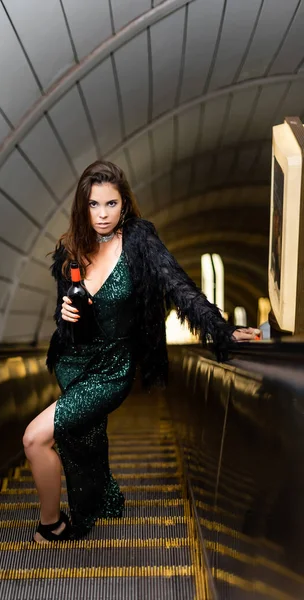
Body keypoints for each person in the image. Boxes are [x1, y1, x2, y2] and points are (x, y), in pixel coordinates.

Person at [23, 160, 260, 542]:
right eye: (94, 205)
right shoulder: (70, 251)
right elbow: (65, 314)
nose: (102, 214)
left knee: (35, 438)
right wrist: (66, 313)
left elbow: (179, 287)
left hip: (112, 369)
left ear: (125, 205)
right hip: (73, 362)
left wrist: (222, 330)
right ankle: (107, 499)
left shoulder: (139, 241)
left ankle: (54, 524)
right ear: (82, 207)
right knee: (82, 438)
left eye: (111, 204)